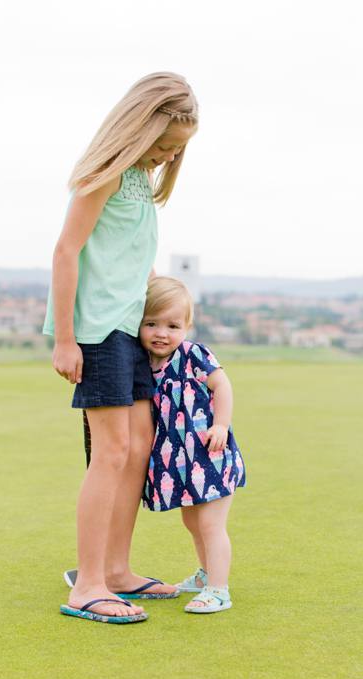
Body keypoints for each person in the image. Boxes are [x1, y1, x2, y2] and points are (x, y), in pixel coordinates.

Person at [47, 73, 198, 623]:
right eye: (161, 145)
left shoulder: (140, 183)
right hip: (97, 330)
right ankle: (86, 585)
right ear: (138, 127)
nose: (165, 157)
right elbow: (67, 253)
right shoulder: (102, 175)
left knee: (137, 449)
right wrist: (65, 338)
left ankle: (115, 570)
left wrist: (168, 324)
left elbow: (132, 262)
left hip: (132, 329)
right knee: (110, 453)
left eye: (175, 151)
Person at [140, 277, 246, 614]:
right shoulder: (147, 364)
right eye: (151, 324)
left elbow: (222, 386)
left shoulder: (193, 354)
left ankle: (219, 589)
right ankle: (205, 575)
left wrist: (221, 424)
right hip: (179, 461)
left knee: (211, 524)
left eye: (172, 325)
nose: (161, 333)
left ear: (187, 326)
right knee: (192, 522)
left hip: (209, 453)